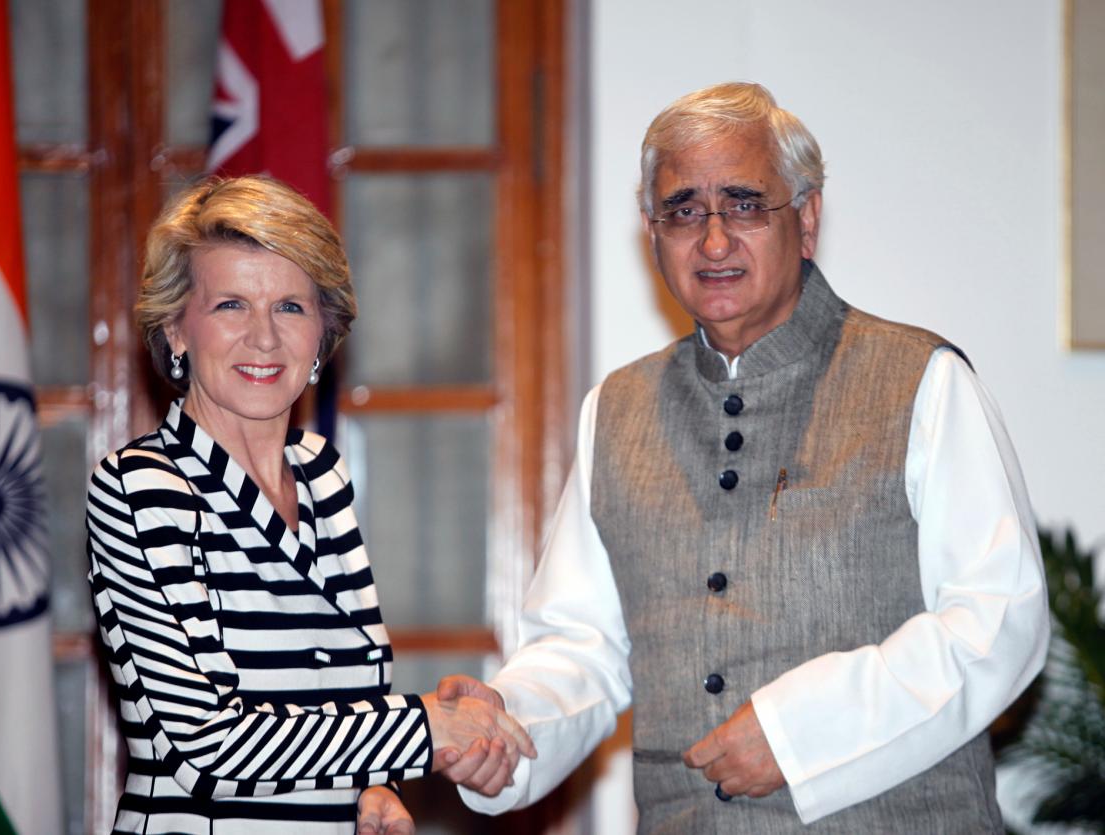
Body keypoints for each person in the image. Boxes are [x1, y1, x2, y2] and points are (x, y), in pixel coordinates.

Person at [437, 82, 1049, 832]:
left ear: (809, 217)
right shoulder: (618, 408)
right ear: (651, 231)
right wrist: (509, 723)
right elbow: (584, 646)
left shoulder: (922, 379)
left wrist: (801, 734)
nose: (715, 240)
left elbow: (997, 620)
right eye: (684, 210)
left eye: (746, 204)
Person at [85, 175, 534, 835]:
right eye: (231, 305)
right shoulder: (141, 487)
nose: (265, 338)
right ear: (177, 329)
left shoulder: (323, 474)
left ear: (323, 333)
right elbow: (208, 743)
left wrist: (368, 789)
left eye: (291, 307)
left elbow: (349, 694)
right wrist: (424, 727)